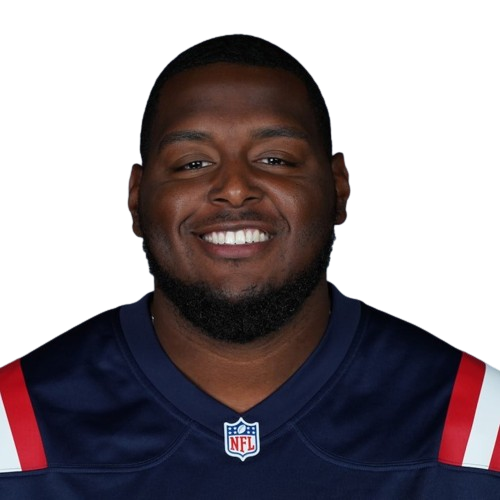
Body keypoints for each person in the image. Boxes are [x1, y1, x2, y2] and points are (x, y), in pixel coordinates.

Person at [0, 34, 498, 499]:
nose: (235, 189)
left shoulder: (480, 423)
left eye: (275, 159)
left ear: (339, 187)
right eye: (192, 163)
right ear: (136, 198)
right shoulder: (14, 428)